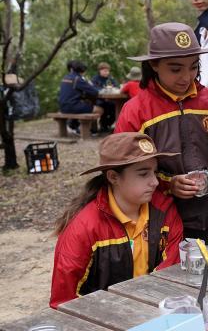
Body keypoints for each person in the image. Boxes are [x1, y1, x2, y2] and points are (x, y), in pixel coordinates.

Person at [114, 22, 208, 250]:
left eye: (193, 67)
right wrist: (168, 184)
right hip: (161, 222)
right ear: (154, 64)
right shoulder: (136, 110)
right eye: (176, 69)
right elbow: (123, 170)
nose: (186, 77)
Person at [50, 132, 183, 308]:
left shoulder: (165, 211)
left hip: (157, 309)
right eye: (143, 174)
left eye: (155, 172)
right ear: (113, 177)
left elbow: (170, 273)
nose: (155, 182)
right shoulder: (83, 228)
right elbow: (63, 303)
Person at [58, 60, 103, 135]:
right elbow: (94, 92)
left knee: (87, 104)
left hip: (62, 107)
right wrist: (88, 84)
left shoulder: (65, 77)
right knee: (99, 110)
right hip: (72, 106)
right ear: (82, 70)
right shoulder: (78, 79)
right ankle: (87, 130)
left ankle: (74, 125)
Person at [92, 62, 120, 132]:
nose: (107, 73)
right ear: (100, 71)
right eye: (105, 71)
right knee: (103, 106)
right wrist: (104, 90)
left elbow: (117, 87)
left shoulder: (110, 78)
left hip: (111, 99)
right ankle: (103, 125)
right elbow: (94, 89)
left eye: (108, 71)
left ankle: (107, 124)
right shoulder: (95, 79)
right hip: (99, 100)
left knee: (117, 107)